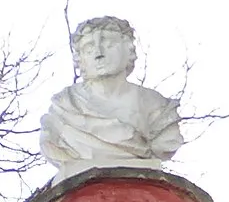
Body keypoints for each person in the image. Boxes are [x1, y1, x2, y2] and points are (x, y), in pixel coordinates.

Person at [39, 15, 183, 173]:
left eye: (109, 44)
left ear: (129, 50)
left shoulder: (157, 107)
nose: (99, 54)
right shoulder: (65, 107)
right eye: (89, 49)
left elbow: (165, 143)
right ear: (80, 60)